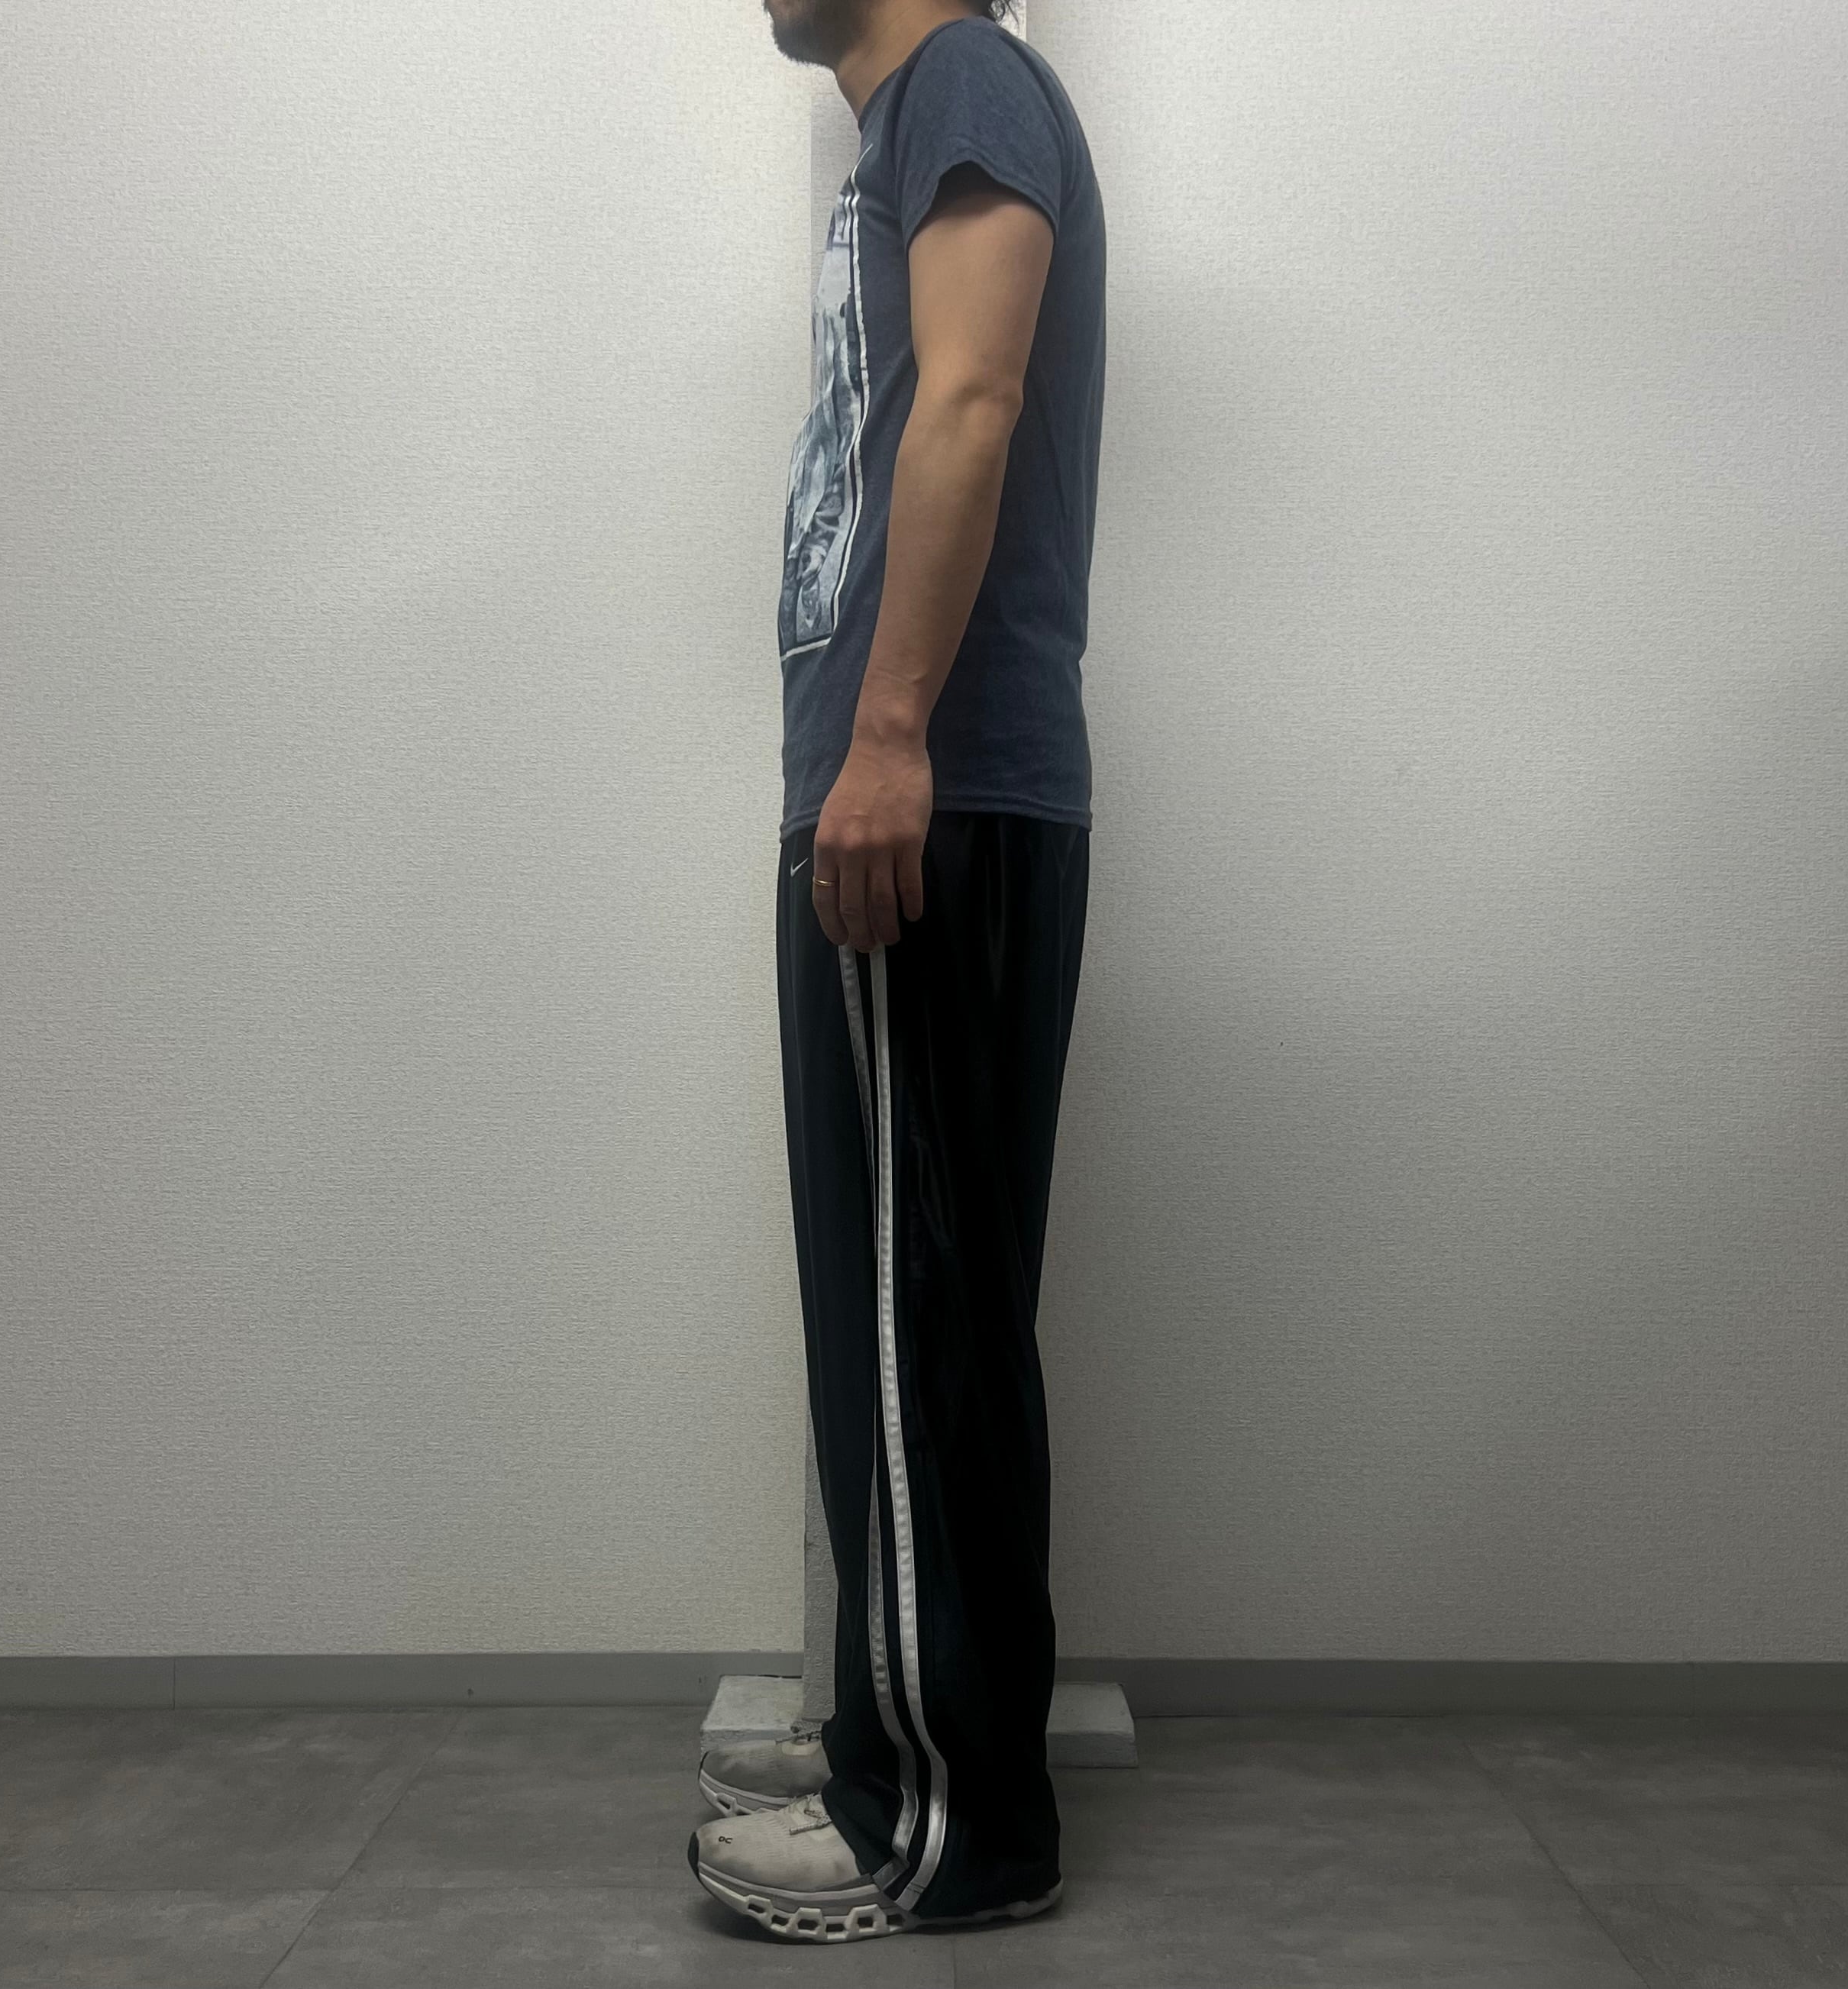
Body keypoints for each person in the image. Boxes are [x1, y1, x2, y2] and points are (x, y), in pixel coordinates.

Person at [688, 0, 1104, 1942]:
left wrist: (886, 736)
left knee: (918, 1312)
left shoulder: (967, 80)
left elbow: (972, 394)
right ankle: (894, 1727)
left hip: (929, 792)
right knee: (898, 1310)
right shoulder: (919, 117)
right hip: (913, 786)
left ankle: (942, 1823)